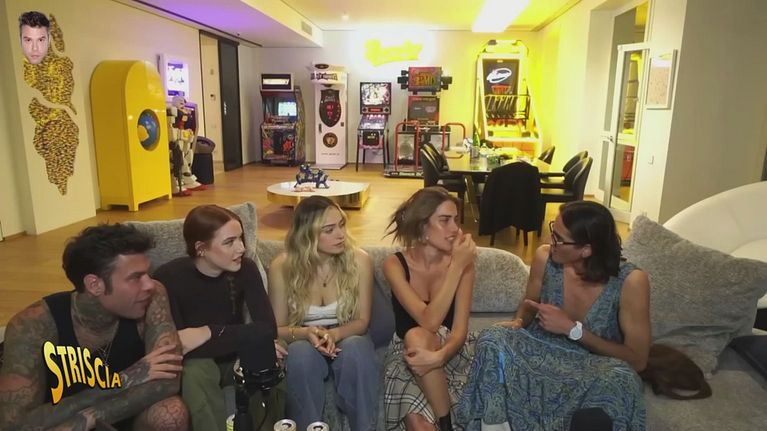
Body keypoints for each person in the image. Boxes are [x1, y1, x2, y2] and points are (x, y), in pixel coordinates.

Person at [456, 200, 651, 431]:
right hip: (540, 349)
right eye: (552, 230)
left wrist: (572, 330)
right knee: (492, 337)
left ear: (586, 249)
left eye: (558, 238)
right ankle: (496, 425)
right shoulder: (544, 257)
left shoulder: (631, 281)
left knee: (622, 380)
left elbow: (638, 360)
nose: (550, 241)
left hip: (592, 363)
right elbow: (529, 304)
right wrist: (519, 321)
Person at [0, 224, 188, 430]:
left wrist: (91, 417)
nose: (149, 284)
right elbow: (15, 424)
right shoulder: (32, 326)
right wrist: (122, 380)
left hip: (125, 417)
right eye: (136, 277)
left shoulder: (153, 296)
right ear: (94, 285)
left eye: (147, 274)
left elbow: (167, 382)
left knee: (171, 411)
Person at [153, 204, 286, 431]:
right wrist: (247, 339)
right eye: (229, 242)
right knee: (194, 370)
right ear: (201, 248)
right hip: (201, 361)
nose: (241, 248)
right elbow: (182, 347)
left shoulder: (246, 269)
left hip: (236, 355)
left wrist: (208, 332)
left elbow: (267, 329)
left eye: (240, 238)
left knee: (267, 354)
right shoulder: (169, 277)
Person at [268, 196, 378, 431]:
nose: (340, 235)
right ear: (306, 234)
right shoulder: (282, 266)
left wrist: (334, 334)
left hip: (347, 334)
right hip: (304, 337)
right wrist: (307, 333)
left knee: (357, 348)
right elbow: (277, 328)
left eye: (342, 225)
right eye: (329, 230)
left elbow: (362, 321)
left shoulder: (360, 260)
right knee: (299, 354)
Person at [382, 186, 477, 431]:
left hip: (450, 351)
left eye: (455, 220)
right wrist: (457, 267)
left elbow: (459, 332)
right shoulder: (394, 264)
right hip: (408, 356)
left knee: (418, 336)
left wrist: (438, 357)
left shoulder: (464, 266)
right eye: (444, 220)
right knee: (418, 424)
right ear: (422, 226)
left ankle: (446, 425)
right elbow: (429, 320)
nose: (455, 229)